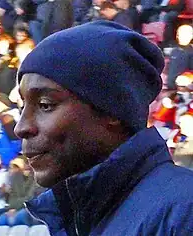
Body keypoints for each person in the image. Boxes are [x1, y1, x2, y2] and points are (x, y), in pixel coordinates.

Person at [14, 21, 193, 235]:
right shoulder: (78, 220)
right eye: (23, 106)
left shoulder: (184, 212)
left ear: (113, 110)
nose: (21, 127)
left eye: (45, 105)